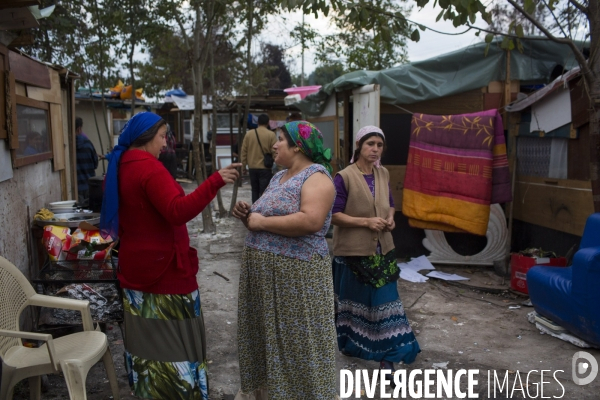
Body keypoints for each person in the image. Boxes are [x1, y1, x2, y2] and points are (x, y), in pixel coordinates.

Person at [99, 112, 240, 400]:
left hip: (136, 268)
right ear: (147, 136)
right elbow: (177, 211)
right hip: (164, 272)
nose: (165, 143)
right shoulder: (148, 168)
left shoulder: (121, 164)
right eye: (163, 136)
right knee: (176, 341)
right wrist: (214, 182)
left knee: (145, 339)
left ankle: (150, 390)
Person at [232, 121, 337, 400]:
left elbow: (311, 221)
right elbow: (260, 222)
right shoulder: (278, 177)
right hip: (265, 281)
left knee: (299, 342)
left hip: (296, 281)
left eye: (280, 139)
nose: (274, 144)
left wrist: (262, 222)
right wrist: (248, 216)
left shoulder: (317, 177)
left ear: (298, 146)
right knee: (267, 340)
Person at [331, 125, 420, 379]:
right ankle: (352, 345)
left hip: (383, 250)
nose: (375, 149)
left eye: (379, 145)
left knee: (386, 302)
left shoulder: (383, 174)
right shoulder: (344, 177)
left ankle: (388, 356)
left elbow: (390, 204)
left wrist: (390, 219)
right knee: (354, 305)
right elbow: (333, 215)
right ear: (359, 145)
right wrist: (366, 222)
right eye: (370, 144)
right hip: (354, 253)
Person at [240, 113, 276, 203]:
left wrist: (243, 166)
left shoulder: (249, 134)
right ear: (268, 123)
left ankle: (254, 210)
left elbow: (244, 151)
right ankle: (263, 211)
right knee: (264, 191)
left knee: (254, 190)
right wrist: (278, 167)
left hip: (252, 168)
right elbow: (275, 151)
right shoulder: (271, 134)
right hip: (265, 168)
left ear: (258, 122)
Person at [75, 117, 99, 207]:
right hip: (90, 185)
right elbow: (95, 163)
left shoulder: (67, 147)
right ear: (79, 129)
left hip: (75, 188)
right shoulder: (88, 144)